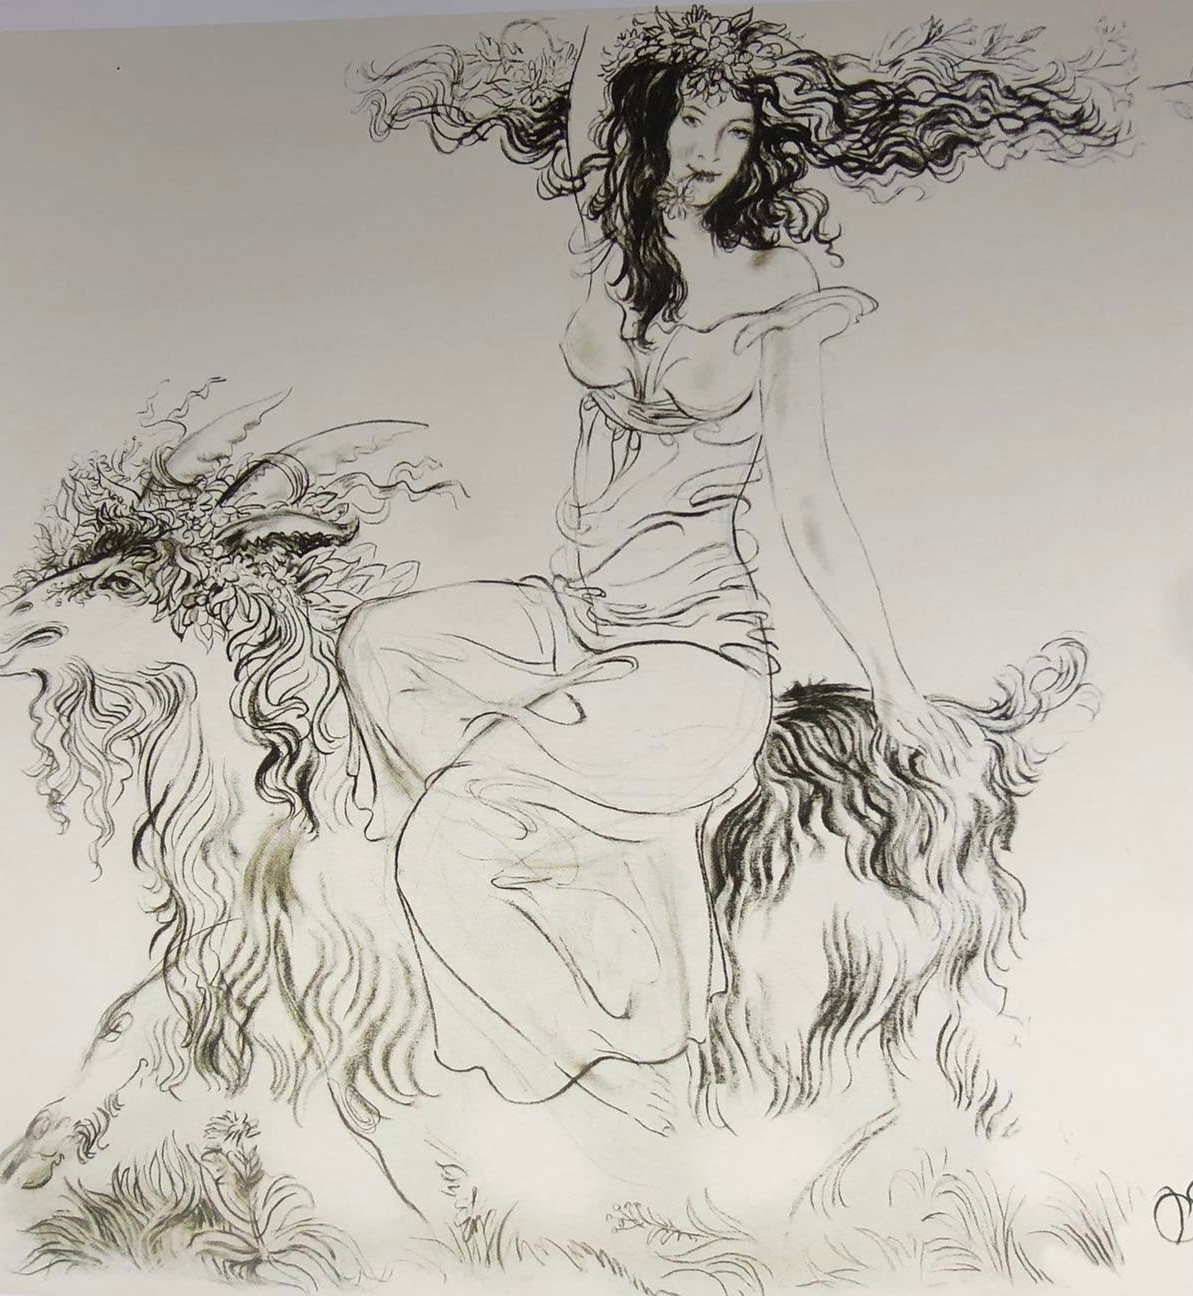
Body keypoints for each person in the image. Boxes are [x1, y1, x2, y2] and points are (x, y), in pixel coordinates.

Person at [346, 6, 1122, 1132]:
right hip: (577, 619)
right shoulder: (605, 238)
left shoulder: (778, 281)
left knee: (444, 841)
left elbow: (808, 503)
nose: (711, 151)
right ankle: (613, 876)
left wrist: (893, 684)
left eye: (738, 130)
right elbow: (595, 65)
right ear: (646, 124)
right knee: (383, 647)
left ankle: (617, 1060)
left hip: (692, 657)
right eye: (690, 121)